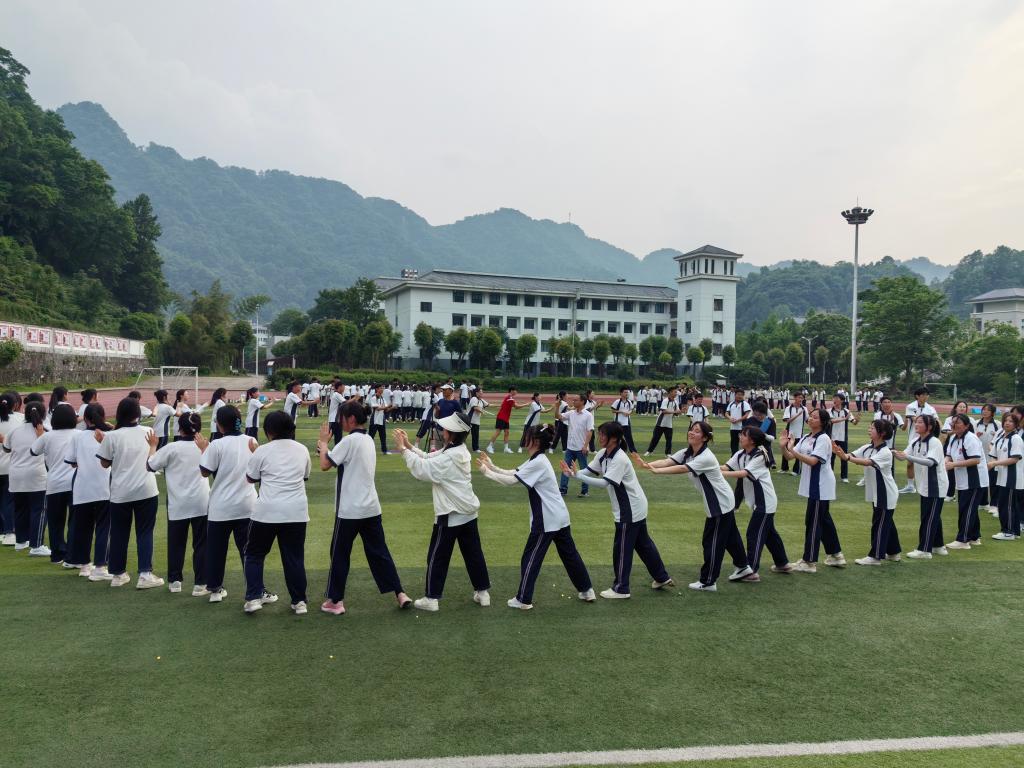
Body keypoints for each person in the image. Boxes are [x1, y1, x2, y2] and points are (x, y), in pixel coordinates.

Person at [479, 423, 595, 609]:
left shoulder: (538, 462)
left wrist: (486, 472)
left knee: (530, 559)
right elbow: (515, 473)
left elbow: (511, 481)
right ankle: (587, 590)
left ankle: (523, 599)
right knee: (570, 556)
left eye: (527, 436)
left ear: (535, 441)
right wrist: (491, 466)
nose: (524, 438)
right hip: (559, 516)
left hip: (547, 519)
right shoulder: (537, 459)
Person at [317, 401, 411, 614]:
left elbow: (324, 464)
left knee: (339, 554)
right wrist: (327, 449)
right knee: (380, 553)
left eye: (342, 418)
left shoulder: (349, 441)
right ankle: (400, 593)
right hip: (370, 508)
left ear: (351, 419)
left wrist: (323, 444)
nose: (340, 422)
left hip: (349, 510)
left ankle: (335, 601)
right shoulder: (368, 439)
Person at [392, 412, 491, 612]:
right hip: (468, 512)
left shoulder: (450, 455)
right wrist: (410, 446)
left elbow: (423, 470)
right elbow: (430, 457)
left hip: (451, 513)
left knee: (437, 556)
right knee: (473, 554)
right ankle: (483, 593)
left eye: (445, 429)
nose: (442, 431)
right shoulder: (458, 449)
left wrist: (402, 450)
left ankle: (432, 598)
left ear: (451, 433)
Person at [635, 421, 750, 592]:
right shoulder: (688, 452)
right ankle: (743, 567)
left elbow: (682, 468)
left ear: (704, 438)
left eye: (696, 431)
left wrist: (656, 472)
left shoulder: (706, 457)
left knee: (712, 542)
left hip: (720, 503)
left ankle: (708, 581)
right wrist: (647, 464)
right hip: (722, 502)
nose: (691, 433)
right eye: (691, 429)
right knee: (730, 538)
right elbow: (668, 462)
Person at [562, 421, 673, 598]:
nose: (599, 438)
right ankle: (661, 577)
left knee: (621, 548)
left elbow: (604, 483)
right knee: (643, 544)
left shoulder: (619, 458)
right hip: (634, 506)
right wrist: (573, 473)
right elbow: (588, 471)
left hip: (630, 508)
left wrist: (577, 476)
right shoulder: (603, 454)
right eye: (599, 434)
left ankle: (621, 588)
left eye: (603, 435)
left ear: (614, 438)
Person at [242, 410, 311, 615]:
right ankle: (299, 601)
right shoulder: (302, 449)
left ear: (269, 431)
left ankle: (253, 597)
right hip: (296, 512)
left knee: (254, 554)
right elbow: (305, 476)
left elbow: (250, 478)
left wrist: (256, 454)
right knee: (294, 558)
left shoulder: (262, 451)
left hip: (267, 511)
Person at [95, 397, 164, 589]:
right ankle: (145, 574)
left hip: (121, 492)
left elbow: (104, 463)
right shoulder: (148, 431)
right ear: (138, 414)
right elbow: (153, 459)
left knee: (119, 533)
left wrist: (103, 443)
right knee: (145, 532)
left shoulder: (113, 436)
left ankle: (118, 574)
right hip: (146, 489)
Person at [197, 405, 258, 603]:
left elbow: (204, 471)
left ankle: (215, 589)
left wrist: (204, 450)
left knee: (216, 551)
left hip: (221, 507)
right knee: (248, 551)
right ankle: (254, 590)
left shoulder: (216, 444)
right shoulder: (251, 441)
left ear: (219, 425)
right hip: (246, 505)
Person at [146, 411, 210, 595]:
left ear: (180, 429)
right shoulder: (206, 447)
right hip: (201, 501)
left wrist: (153, 446)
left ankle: (175, 581)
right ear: (199, 428)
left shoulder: (171, 448)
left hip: (178, 503)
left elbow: (150, 465)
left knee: (176, 543)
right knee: (201, 544)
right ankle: (200, 584)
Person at [779, 408, 845, 573]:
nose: (810, 419)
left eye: (815, 417)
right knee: (824, 520)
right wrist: (783, 447)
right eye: (810, 416)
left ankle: (809, 561)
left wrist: (792, 449)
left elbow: (813, 461)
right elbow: (790, 457)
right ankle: (836, 555)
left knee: (813, 522)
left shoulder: (823, 439)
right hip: (813, 485)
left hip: (820, 485)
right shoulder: (807, 437)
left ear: (822, 422)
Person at [722, 426, 792, 578]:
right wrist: (708, 468)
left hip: (765, 502)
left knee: (753, 533)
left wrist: (717, 473)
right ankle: (782, 563)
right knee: (769, 534)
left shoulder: (760, 455)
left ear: (752, 440)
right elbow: (726, 467)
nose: (740, 436)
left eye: (743, 435)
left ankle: (751, 571)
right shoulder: (741, 454)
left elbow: (743, 473)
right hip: (759, 502)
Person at [833, 420, 902, 566]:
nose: (869, 429)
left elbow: (867, 462)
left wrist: (847, 457)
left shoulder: (885, 452)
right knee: (886, 522)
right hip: (878, 492)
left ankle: (875, 556)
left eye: (873, 428)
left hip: (885, 492)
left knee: (879, 523)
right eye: (870, 427)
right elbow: (849, 455)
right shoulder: (867, 447)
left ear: (882, 433)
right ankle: (894, 552)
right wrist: (839, 453)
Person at [65, 402, 112, 580]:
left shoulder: (77, 437)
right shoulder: (109, 435)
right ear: (103, 417)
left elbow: (71, 462)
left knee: (83, 528)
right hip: (104, 488)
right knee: (103, 528)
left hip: (82, 488)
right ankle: (100, 567)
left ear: (85, 419)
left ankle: (84, 566)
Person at [894, 414, 949, 559]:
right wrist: (892, 452)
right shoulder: (915, 440)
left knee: (928, 517)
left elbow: (930, 462)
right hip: (924, 484)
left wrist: (907, 457)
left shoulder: (934, 442)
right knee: (932, 515)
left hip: (935, 485)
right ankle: (938, 546)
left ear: (929, 427)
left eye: (919, 422)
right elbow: (903, 456)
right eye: (916, 422)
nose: (916, 424)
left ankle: (924, 550)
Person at [30, 403, 78, 564]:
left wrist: (40, 436)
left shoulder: (47, 436)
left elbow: (33, 451)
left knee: (55, 522)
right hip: (76, 483)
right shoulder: (79, 434)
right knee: (75, 521)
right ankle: (72, 554)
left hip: (55, 484)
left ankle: (57, 554)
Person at [1, 399, 50, 556]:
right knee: (39, 510)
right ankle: (36, 545)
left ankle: (21, 541)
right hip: (37, 475)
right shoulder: (45, 431)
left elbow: (6, 449)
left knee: (20, 509)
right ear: (42, 414)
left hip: (16, 475)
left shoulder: (15, 431)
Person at [944, 413, 988, 550]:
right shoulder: (953, 438)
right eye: (953, 422)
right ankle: (974, 537)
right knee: (968, 508)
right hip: (963, 480)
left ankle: (963, 540)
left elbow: (975, 460)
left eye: (958, 422)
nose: (954, 425)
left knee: (967, 508)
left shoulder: (971, 438)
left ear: (967, 425)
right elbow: (948, 455)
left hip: (975, 480)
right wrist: (945, 463)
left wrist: (953, 464)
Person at [988, 412, 1022, 541]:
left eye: (1011, 421)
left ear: (1016, 424)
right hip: (1002, 477)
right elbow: (993, 455)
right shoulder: (1001, 437)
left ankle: (1008, 532)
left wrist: (994, 463)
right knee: (1007, 504)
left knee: (1006, 505)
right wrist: (992, 463)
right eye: (1006, 421)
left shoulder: (1015, 438)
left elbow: (1014, 459)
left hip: (1012, 479)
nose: (1007, 423)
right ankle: (1015, 532)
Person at [901, 387, 937, 494]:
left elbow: (936, 420)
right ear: (917, 396)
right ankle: (910, 486)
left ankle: (925, 485)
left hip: (927, 439)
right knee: (910, 463)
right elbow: (916, 420)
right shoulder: (911, 406)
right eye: (923, 395)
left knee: (925, 463)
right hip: (913, 439)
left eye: (927, 395)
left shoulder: (931, 408)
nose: (925, 397)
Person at [558, 393, 595, 498]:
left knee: (583, 470)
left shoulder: (588, 415)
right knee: (565, 469)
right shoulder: (571, 413)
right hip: (570, 448)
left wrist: (585, 446)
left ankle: (584, 491)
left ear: (582, 401)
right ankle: (563, 489)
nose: (573, 402)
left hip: (581, 448)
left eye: (576, 400)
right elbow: (559, 417)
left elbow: (590, 431)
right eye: (573, 400)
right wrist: (556, 407)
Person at [0, 392, 24, 546]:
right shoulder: (20, 419)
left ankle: (2, 531)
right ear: (15, 405)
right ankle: (9, 532)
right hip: (10, 466)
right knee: (9, 500)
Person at [975, 403, 1000, 514]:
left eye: (988, 410)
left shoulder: (997, 424)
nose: (985, 411)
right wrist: (976, 436)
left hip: (992, 458)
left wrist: (995, 437)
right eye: (983, 409)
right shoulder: (976, 423)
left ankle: (994, 504)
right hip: (979, 457)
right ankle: (983, 503)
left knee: (993, 481)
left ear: (993, 413)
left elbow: (1000, 438)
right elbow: (971, 437)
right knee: (981, 480)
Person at [828, 394, 857, 484]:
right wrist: (844, 419)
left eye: (836, 398)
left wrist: (857, 420)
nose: (834, 400)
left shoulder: (846, 411)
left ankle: (844, 477)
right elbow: (831, 421)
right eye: (834, 398)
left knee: (844, 458)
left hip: (843, 438)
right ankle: (829, 475)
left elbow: (853, 422)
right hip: (832, 438)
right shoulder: (829, 411)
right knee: (831, 458)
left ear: (842, 400)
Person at [486, 387, 524, 455]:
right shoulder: (510, 398)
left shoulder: (510, 398)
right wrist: (526, 404)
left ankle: (506, 448)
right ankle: (489, 446)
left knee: (507, 432)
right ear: (512, 391)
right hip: (501, 417)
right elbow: (516, 407)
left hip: (505, 418)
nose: (516, 392)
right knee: (498, 432)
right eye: (515, 390)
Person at [645, 385, 678, 456]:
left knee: (669, 439)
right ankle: (649, 451)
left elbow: (677, 412)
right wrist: (675, 412)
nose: (676, 393)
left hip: (669, 424)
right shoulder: (665, 400)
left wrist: (681, 411)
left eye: (676, 392)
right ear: (670, 392)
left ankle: (668, 453)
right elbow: (664, 411)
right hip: (660, 423)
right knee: (655, 438)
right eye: (675, 392)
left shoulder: (675, 402)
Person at [780, 392, 808, 475]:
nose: (800, 399)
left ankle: (796, 470)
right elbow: (787, 420)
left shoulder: (804, 409)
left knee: (798, 452)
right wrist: (798, 414)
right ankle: (784, 468)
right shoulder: (789, 408)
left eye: (802, 398)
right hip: (789, 433)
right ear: (794, 398)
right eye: (799, 397)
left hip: (799, 434)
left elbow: (807, 420)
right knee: (785, 449)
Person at [609, 387, 637, 454]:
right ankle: (614, 450)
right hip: (618, 422)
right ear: (621, 393)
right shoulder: (617, 401)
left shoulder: (629, 402)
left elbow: (631, 409)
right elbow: (613, 410)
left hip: (626, 422)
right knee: (616, 437)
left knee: (629, 437)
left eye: (627, 392)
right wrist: (622, 412)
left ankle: (633, 451)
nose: (626, 393)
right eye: (625, 392)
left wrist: (629, 412)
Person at [726, 389, 752, 455]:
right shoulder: (731, 403)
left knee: (744, 443)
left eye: (741, 395)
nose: (739, 396)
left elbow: (747, 414)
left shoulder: (745, 404)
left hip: (742, 427)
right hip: (733, 427)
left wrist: (738, 420)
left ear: (743, 396)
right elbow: (726, 413)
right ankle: (734, 456)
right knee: (733, 443)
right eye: (738, 394)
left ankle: (745, 456)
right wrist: (730, 418)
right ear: (735, 395)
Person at [368, 384, 391, 454]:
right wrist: (387, 406)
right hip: (374, 420)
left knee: (383, 436)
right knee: (371, 437)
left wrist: (393, 407)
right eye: (381, 388)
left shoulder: (383, 398)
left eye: (383, 388)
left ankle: (384, 451)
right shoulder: (374, 398)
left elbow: (386, 410)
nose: (382, 389)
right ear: (377, 389)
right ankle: (367, 450)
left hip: (381, 420)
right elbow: (377, 409)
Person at [467, 386, 488, 453]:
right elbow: (475, 408)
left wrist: (501, 405)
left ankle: (475, 448)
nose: (482, 393)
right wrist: (482, 411)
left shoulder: (481, 400)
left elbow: (488, 405)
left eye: (482, 392)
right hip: (470, 420)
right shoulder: (474, 398)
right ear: (477, 393)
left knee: (475, 435)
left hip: (476, 421)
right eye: (481, 392)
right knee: (464, 434)